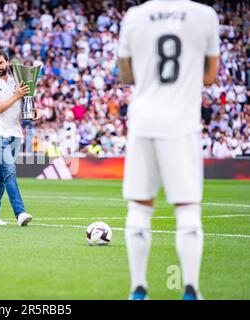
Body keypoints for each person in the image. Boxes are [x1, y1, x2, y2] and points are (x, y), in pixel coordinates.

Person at [118, 0, 219, 300]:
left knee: (139, 206)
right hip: (182, 124)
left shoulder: (134, 16)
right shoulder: (205, 16)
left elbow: (126, 75)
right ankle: (190, 289)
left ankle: (138, 289)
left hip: (144, 122)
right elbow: (210, 76)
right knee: (187, 207)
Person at [0, 49, 40, 226]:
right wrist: (16, 95)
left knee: (2, 175)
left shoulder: (18, 80)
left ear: (7, 62)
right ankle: (20, 213)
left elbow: (26, 106)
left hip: (15, 133)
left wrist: (36, 112)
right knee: (10, 171)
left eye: (1, 63)